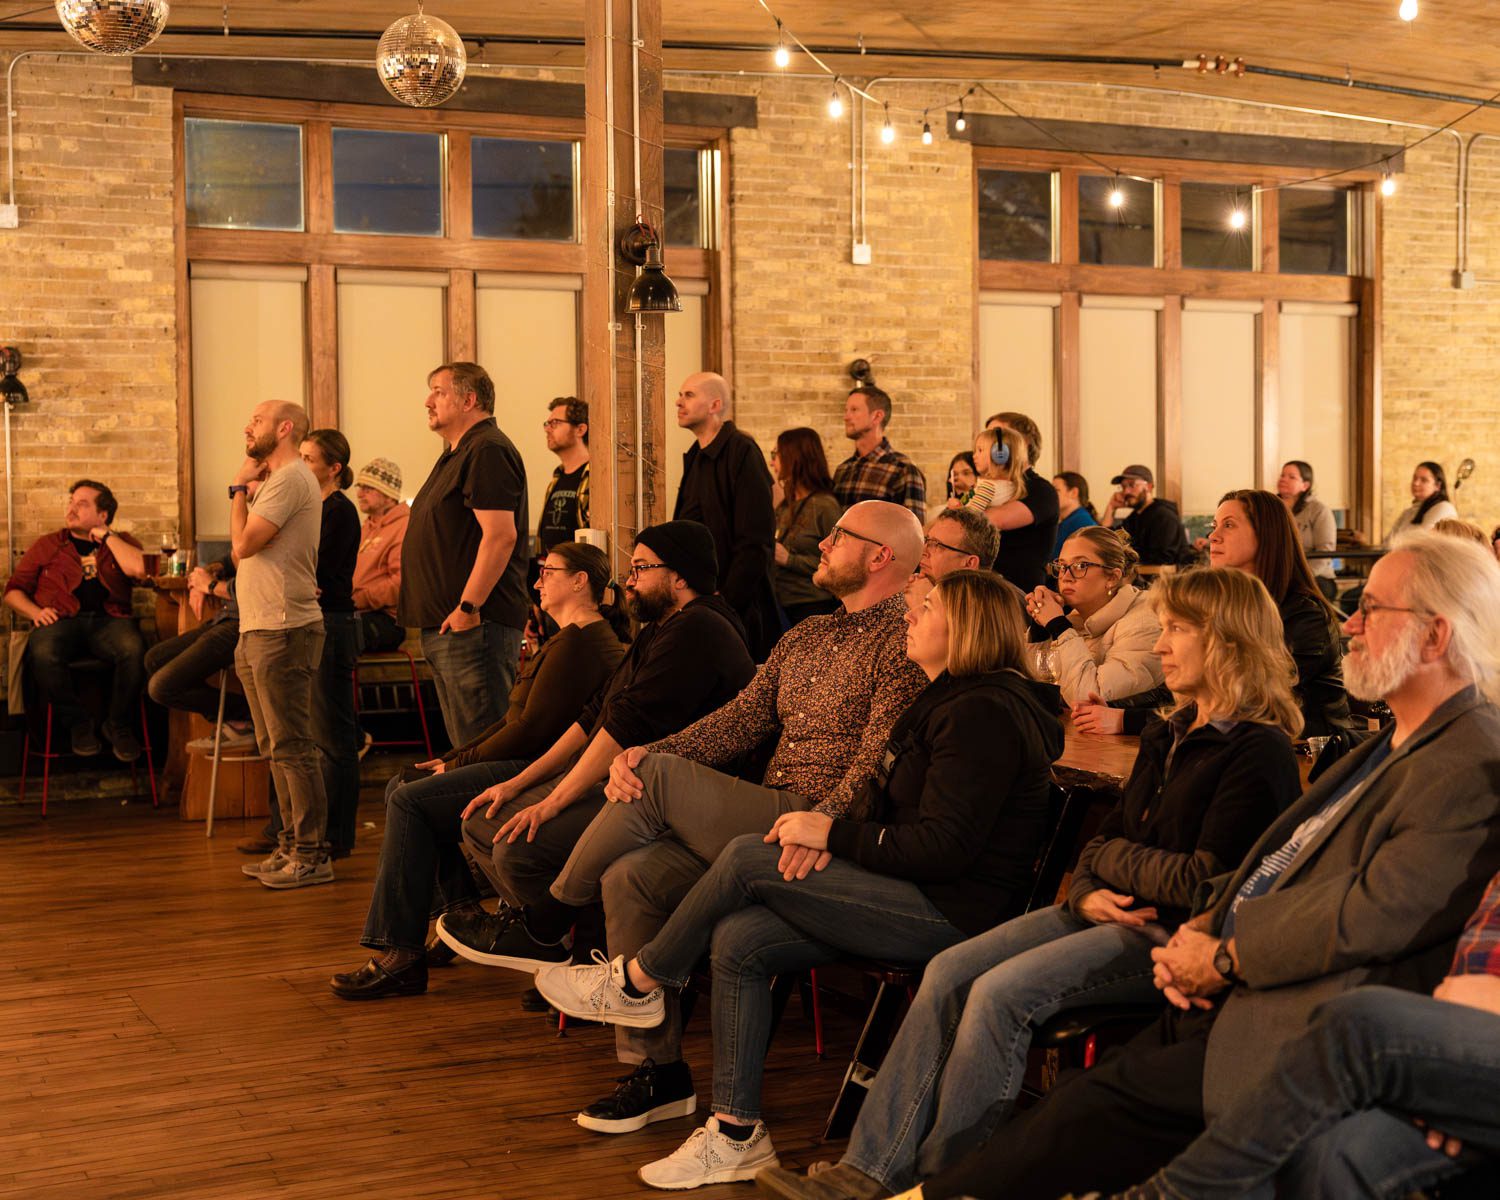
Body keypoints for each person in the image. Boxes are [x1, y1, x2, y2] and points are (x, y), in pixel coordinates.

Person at [873, 529, 1500, 1200]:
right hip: (1215, 974)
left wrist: (1225, 951)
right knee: (1080, 1105)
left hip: (1288, 1007)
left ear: (1436, 637)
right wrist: (1204, 926)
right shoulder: (1379, 748)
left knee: (1084, 1108)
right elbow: (1274, 867)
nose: (1349, 622)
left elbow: (1373, 910)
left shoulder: (1468, 756)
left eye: (1372, 609)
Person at [758, 567, 1302, 1200]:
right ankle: (866, 1173)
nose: (1158, 646)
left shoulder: (1258, 750)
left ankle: (945, 1185)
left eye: (1176, 631)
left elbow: (1204, 881)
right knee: (947, 975)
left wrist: (1111, 870)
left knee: (997, 997)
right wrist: (1087, 888)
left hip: (1164, 936)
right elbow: (1102, 845)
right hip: (1102, 907)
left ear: (1227, 640)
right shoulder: (1167, 731)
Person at [538, 570, 1065, 1191]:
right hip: (898, 881)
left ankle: (638, 978)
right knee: (740, 938)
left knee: (746, 857)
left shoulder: (983, 712)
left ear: (967, 630)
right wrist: (823, 836)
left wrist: (830, 836)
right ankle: (737, 1134)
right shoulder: (945, 697)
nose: (910, 618)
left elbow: (944, 850)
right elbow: (878, 799)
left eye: (927, 609)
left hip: (951, 912)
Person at [445, 503, 927, 1135]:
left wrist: (829, 823)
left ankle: (545, 922)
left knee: (657, 776)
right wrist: (650, 752)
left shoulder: (909, 637)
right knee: (631, 876)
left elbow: (876, 758)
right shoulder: (810, 633)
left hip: (815, 824)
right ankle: (658, 1074)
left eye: (840, 537)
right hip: (762, 810)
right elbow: (739, 720)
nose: (824, 543)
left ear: (880, 556)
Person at [328, 541, 637, 999]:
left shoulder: (582, 642)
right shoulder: (569, 637)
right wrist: (453, 759)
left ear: (580, 581)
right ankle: (458, 912)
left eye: (548, 572)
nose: (538, 581)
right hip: (529, 757)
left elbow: (531, 733)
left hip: (539, 769)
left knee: (409, 799)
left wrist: (459, 762)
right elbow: (513, 722)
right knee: (405, 783)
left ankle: (400, 954)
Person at [1109, 872, 1500, 1200]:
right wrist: (1453, 1072)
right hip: (1472, 1035)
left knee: (1361, 1022)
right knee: (1332, 1155)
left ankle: (1171, 1194)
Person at [399, 362, 529, 747]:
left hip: (474, 626)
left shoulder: (487, 449)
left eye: (438, 391)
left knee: (481, 750)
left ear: (469, 399)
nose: (428, 401)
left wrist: (469, 607)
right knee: (464, 749)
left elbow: (501, 536)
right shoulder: (458, 453)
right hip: (451, 626)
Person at [230, 401, 331, 890]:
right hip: (259, 626)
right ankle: (290, 844)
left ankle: (311, 853)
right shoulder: (276, 481)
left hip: (284, 628)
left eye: (258, 419)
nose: (248, 426)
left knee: (293, 747)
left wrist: (236, 491)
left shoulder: (291, 478)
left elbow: (243, 546)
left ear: (285, 428)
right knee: (275, 747)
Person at [5, 480, 147, 761]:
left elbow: (140, 569)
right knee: (43, 652)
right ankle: (78, 724)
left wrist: (106, 537)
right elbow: (13, 591)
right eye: (71, 502)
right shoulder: (50, 544)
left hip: (110, 620)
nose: (71, 508)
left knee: (134, 649)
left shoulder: (122, 542)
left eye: (81, 504)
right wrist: (35, 612)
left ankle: (117, 724)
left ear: (103, 514)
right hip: (61, 620)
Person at [673, 372, 779, 659]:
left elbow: (756, 538)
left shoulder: (741, 451)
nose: (678, 402)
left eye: (689, 395)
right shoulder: (696, 455)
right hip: (701, 602)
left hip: (737, 608)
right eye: (680, 395)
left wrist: (728, 599)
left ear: (714, 404)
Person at [293, 430, 362, 860]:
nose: (301, 465)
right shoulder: (307, 507)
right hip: (307, 619)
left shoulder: (339, 511)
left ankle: (337, 834)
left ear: (333, 468)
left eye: (309, 458)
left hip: (331, 622)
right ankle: (293, 827)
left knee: (333, 734)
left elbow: (322, 573)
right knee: (302, 730)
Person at [1024, 525, 1163, 707]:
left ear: (1112, 577)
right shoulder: (1078, 618)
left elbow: (1089, 698)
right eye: (1062, 566)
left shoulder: (1144, 622)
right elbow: (1036, 690)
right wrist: (1041, 629)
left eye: (1081, 565)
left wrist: (1058, 625)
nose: (1066, 576)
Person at [148, 557, 252, 755]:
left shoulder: (265, 531)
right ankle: (235, 719)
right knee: (155, 658)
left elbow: (259, 589)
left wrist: (210, 585)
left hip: (247, 622)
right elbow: (234, 558)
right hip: (226, 618)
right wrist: (210, 572)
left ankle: (251, 716)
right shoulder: (249, 534)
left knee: (161, 687)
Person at [771, 426, 841, 627]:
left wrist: (789, 560)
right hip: (781, 603)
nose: (772, 461)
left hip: (811, 605)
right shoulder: (786, 505)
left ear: (794, 457)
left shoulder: (824, 506)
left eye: (777, 454)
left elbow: (839, 564)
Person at [982, 412, 1060, 591]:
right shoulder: (989, 485)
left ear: (1022, 443)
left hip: (1019, 594)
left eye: (997, 436)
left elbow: (989, 521)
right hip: (987, 589)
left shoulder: (1041, 490)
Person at [833, 385, 927, 521]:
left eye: (854, 410)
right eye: (846, 410)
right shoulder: (843, 469)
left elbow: (914, 532)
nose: (846, 417)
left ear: (877, 416)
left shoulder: (903, 469)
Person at [351, 456, 408, 654]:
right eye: (359, 487)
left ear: (388, 494)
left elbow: (401, 583)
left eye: (368, 488)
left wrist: (357, 600)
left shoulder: (404, 526)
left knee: (333, 636)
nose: (359, 493)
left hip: (387, 620)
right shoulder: (366, 527)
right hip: (357, 612)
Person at [907, 507, 1002, 612]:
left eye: (936, 545)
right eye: (927, 540)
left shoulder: (989, 612)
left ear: (969, 563)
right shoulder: (911, 588)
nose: (923, 551)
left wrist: (924, 606)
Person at [1102, 464, 1190, 567]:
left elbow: (1162, 560)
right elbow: (1107, 542)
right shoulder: (1134, 518)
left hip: (1167, 581)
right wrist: (1111, 507)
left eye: (1131, 485)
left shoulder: (1164, 517)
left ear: (1149, 486)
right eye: (1123, 487)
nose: (1126, 491)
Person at [1276, 460, 1337, 601]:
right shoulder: (1272, 508)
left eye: (1291, 477)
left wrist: (1301, 575)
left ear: (1305, 485)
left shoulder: (1319, 510)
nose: (1283, 480)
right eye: (1282, 475)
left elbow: (1325, 552)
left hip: (1315, 577)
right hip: (1279, 575)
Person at [949, 427, 1026, 517]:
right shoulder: (1011, 485)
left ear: (999, 455)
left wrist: (956, 507)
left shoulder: (988, 487)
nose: (974, 456)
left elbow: (970, 517)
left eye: (980, 450)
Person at [1387, 460, 1458, 541]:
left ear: (1438, 485)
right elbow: (1388, 542)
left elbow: (1423, 542)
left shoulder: (1444, 508)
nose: (1416, 483)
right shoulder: (1407, 513)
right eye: (1415, 478)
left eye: (1424, 480)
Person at [1052, 471, 1098, 558]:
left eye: (1056, 490)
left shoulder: (1081, 522)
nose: (1051, 495)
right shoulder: (1070, 520)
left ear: (1074, 493)